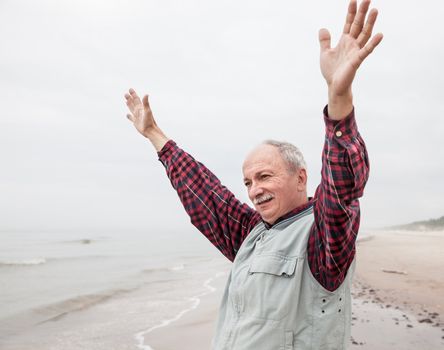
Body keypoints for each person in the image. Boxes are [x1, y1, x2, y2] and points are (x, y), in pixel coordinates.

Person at [124, 0, 382, 348]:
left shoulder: (322, 239)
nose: (254, 190)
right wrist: (156, 136)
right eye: (248, 181)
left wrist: (339, 99)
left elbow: (342, 189)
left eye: (264, 176)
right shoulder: (251, 233)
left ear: (301, 178)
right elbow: (206, 195)